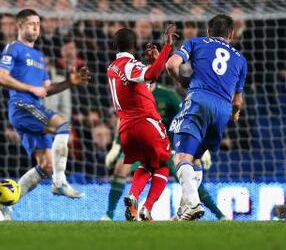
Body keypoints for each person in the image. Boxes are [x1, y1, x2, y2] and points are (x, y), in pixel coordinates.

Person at [102, 44, 225, 221]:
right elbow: (125, 117)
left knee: (184, 167)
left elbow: (186, 117)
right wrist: (116, 145)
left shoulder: (167, 95)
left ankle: (219, 215)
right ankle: (110, 214)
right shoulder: (132, 91)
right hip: (144, 143)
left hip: (167, 145)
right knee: (123, 166)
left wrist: (199, 146)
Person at [0, 9, 90, 219]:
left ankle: (5, 203)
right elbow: (0, 77)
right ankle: (59, 182)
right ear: (19, 26)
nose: (35, 28)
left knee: (46, 165)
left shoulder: (39, 57)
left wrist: (69, 82)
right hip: (21, 105)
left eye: (38, 23)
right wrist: (30, 88)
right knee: (63, 125)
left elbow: (46, 88)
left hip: (34, 107)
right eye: (30, 23)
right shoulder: (14, 48)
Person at [166, 14, 247, 220]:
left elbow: (171, 65)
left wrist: (182, 81)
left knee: (180, 155)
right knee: (195, 159)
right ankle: (184, 211)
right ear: (231, 34)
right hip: (222, 111)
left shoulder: (196, 42)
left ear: (209, 32)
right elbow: (237, 101)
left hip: (200, 99)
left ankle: (193, 203)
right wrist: (235, 114)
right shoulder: (240, 59)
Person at [106, 24, 177, 221]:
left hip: (126, 128)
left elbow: (143, 83)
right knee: (163, 164)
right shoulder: (129, 65)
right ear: (135, 45)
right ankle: (147, 208)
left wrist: (154, 62)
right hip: (146, 122)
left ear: (114, 46)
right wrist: (167, 48)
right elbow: (151, 75)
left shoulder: (112, 68)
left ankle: (133, 196)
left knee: (147, 163)